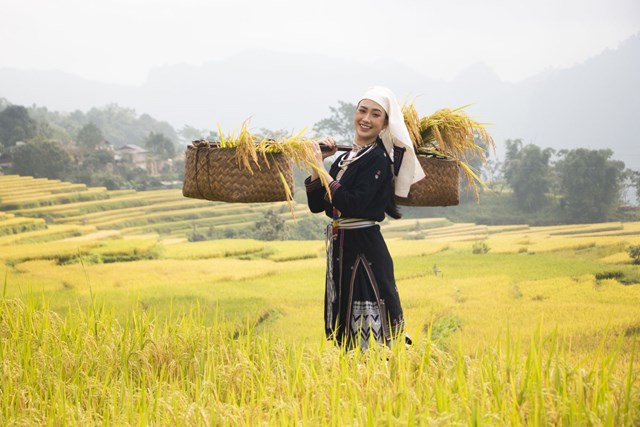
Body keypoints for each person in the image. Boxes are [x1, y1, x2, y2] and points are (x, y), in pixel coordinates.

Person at [305, 86, 425, 349]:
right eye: (362, 111)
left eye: (375, 114)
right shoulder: (344, 159)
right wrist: (320, 166)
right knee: (345, 326)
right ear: (355, 113)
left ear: (384, 124)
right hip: (342, 247)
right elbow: (319, 206)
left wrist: (320, 169)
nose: (366, 119)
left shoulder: (378, 160)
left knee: (371, 332)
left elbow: (354, 203)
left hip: (365, 250)